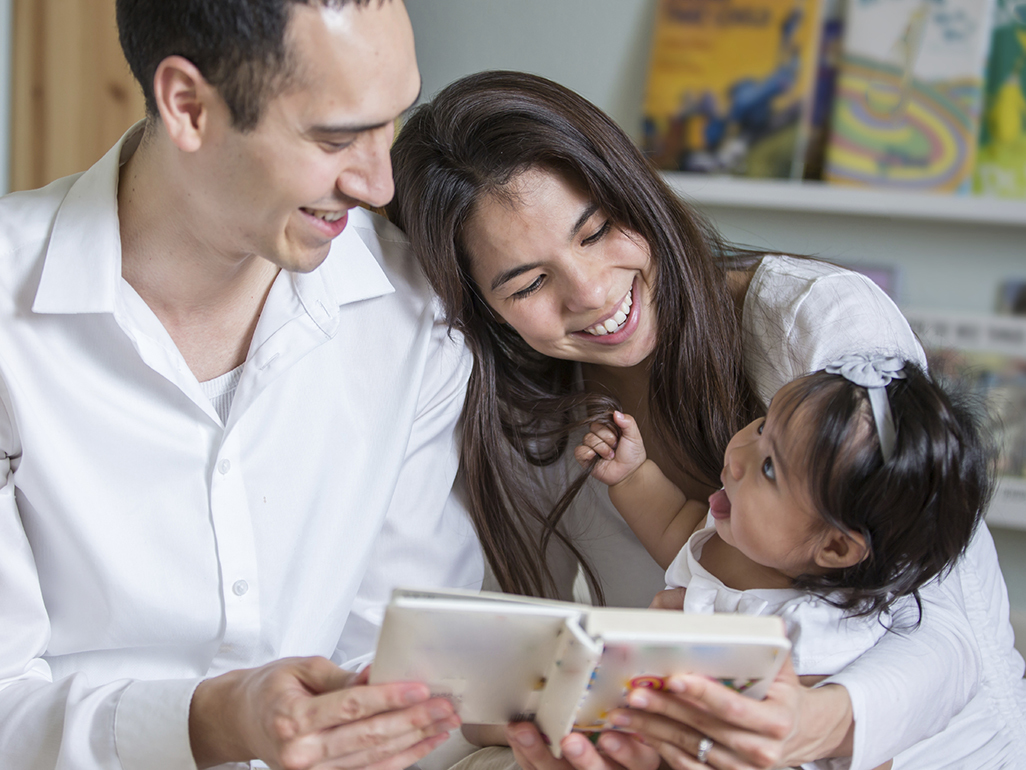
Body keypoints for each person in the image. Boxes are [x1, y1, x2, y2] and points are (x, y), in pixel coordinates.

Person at [387, 70, 1026, 770]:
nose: (592, 291)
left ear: (635, 192)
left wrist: (812, 722)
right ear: (484, 308)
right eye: (530, 282)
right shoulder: (526, 424)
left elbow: (949, 632)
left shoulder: (816, 326)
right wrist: (567, 733)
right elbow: (524, 674)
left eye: (597, 230)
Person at [0, 1, 484, 768]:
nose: (380, 183)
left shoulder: (415, 313)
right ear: (188, 106)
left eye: (393, 120)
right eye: (335, 136)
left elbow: (404, 668)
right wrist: (212, 723)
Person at [580, 353, 1025, 768]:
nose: (737, 458)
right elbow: (678, 526)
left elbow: (823, 740)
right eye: (761, 428)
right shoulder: (733, 539)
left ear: (834, 548)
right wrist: (633, 476)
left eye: (770, 468)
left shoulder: (818, 634)